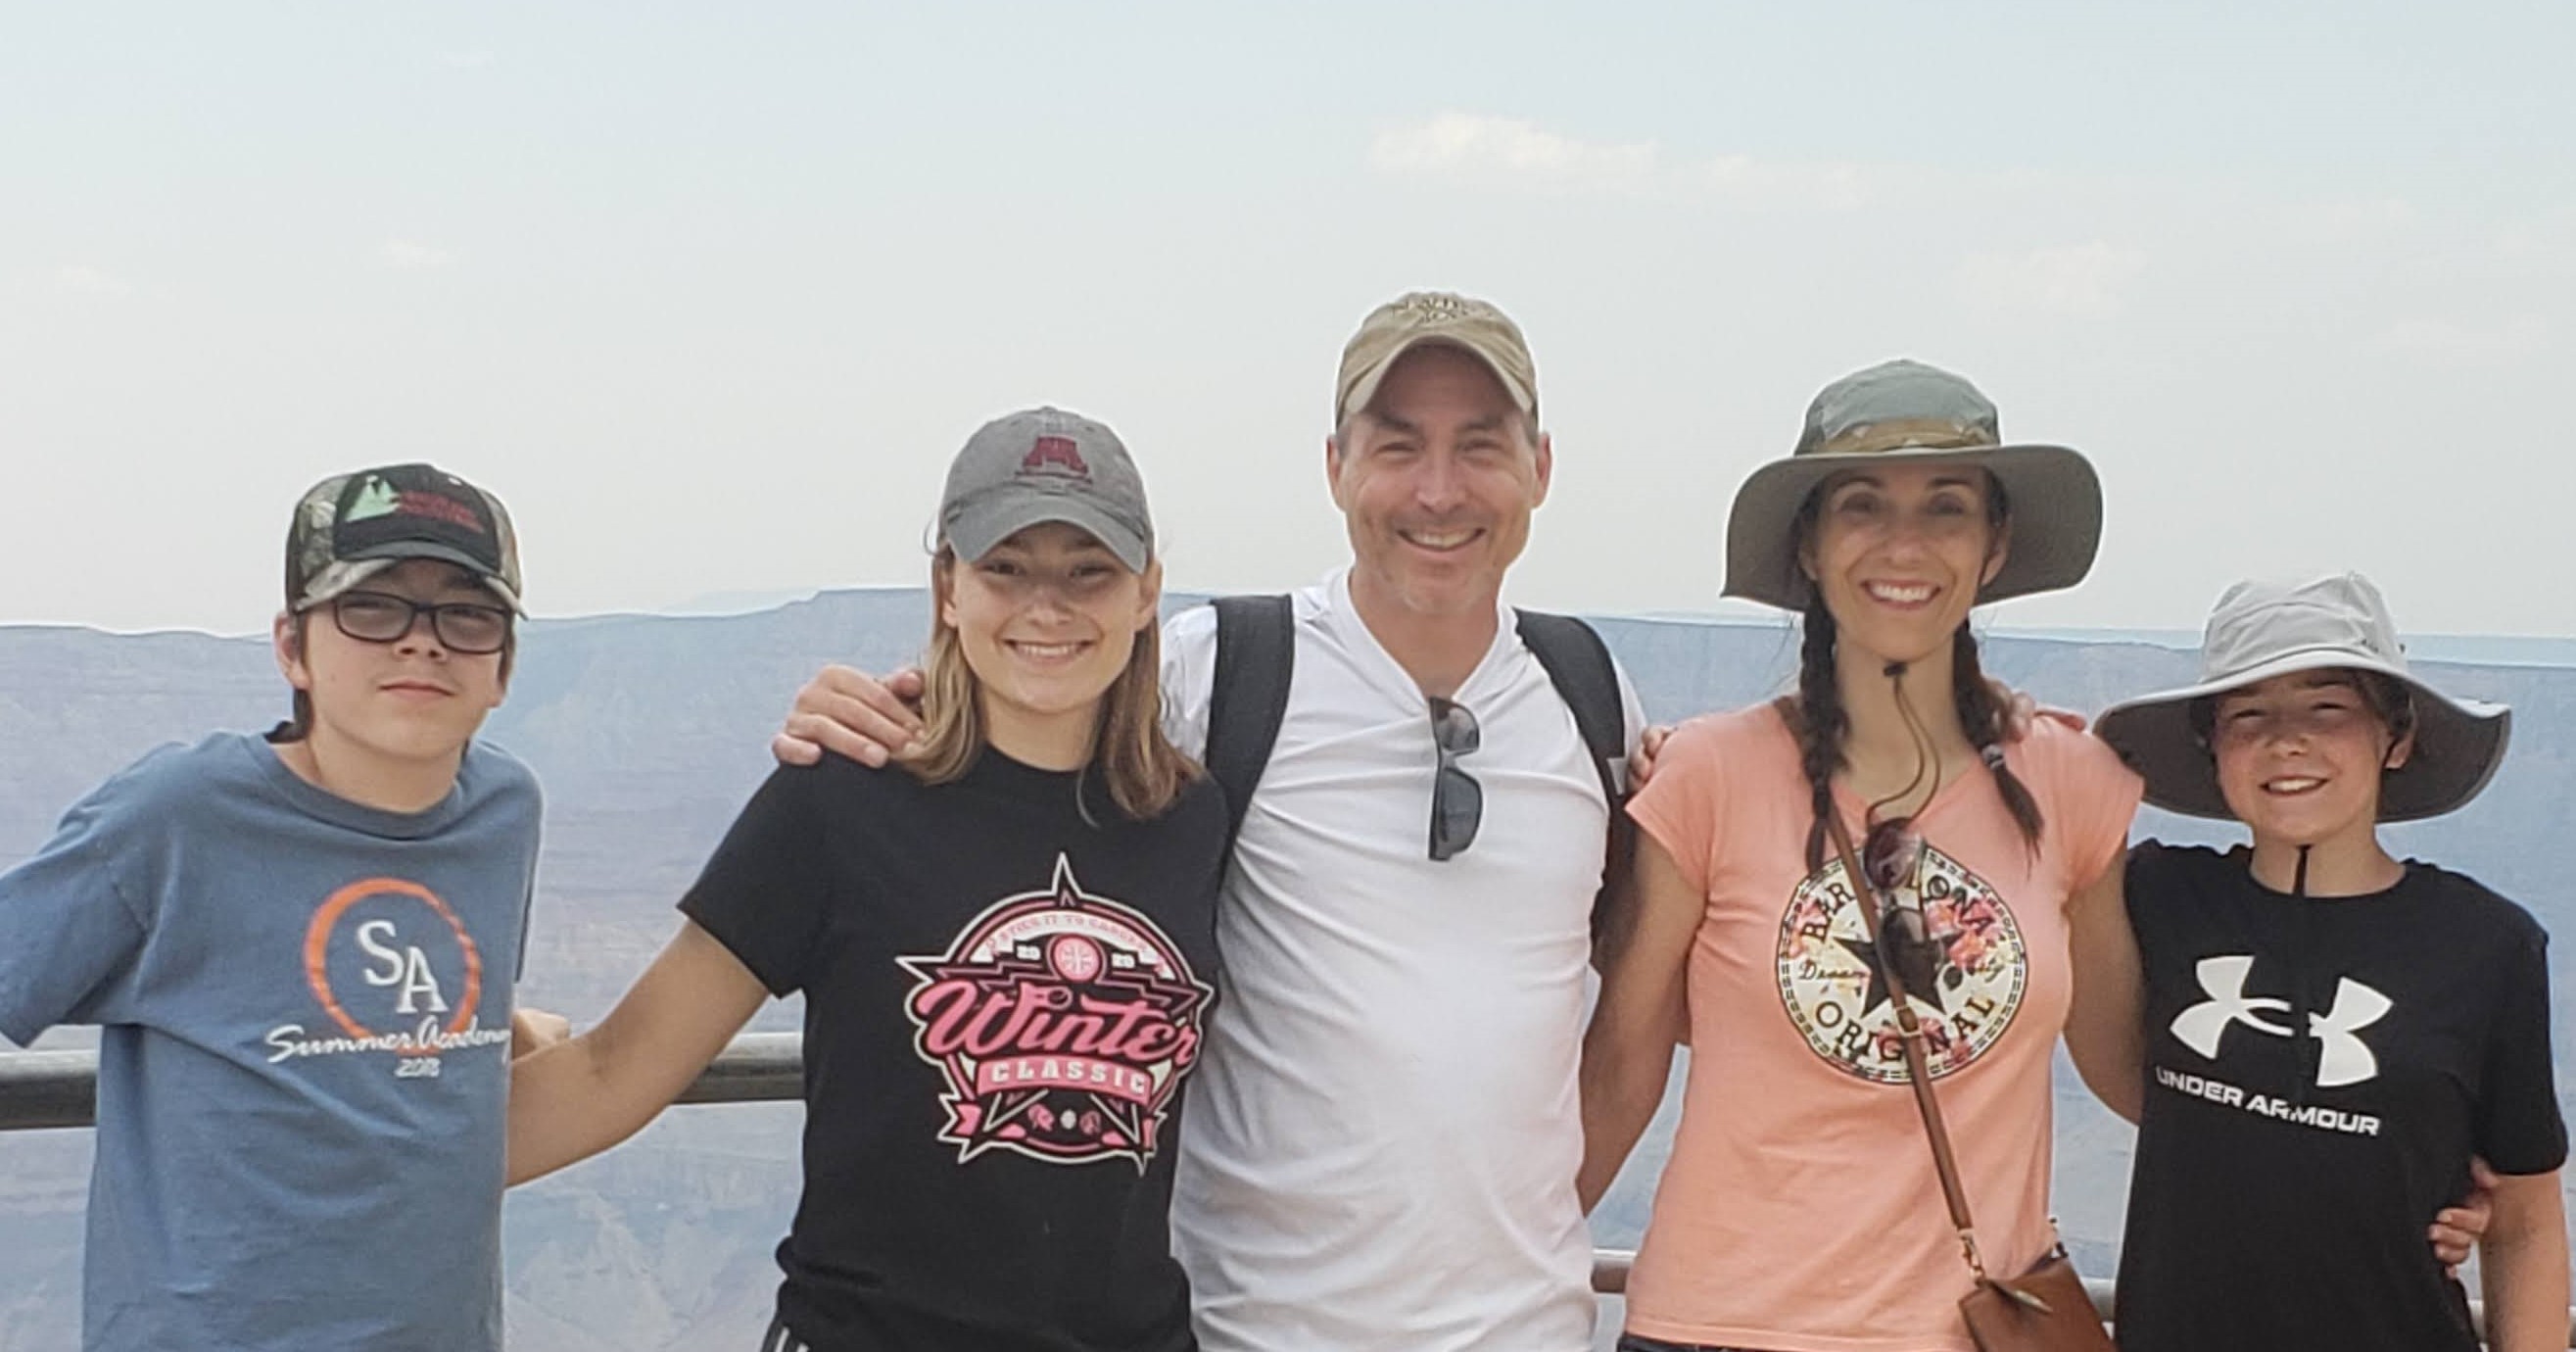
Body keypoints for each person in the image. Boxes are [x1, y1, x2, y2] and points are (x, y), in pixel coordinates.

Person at [774, 292, 1643, 1351]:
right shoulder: (1218, 674)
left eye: (1480, 446)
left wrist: (1513, 1239)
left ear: (1539, 468)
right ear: (1334, 467)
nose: (1436, 489)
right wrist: (875, 717)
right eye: (1396, 444)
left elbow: (1624, 1019)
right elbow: (1012, 755)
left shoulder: (1587, 693)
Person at [507, 408, 1229, 1352]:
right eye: (1004, 568)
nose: (1046, 606)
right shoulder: (840, 801)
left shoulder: (1189, 819)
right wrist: (335, 1169)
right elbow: (616, 1070)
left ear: (1147, 596)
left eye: (1088, 570)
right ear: (947, 589)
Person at [1579, 360, 2147, 1351]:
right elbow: (1620, 1066)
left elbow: (2132, 1073)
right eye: (1860, 505)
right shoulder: (1710, 775)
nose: (1903, 544)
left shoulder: (2071, 784)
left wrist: (2410, 1159)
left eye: (1945, 508)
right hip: (1719, 1326)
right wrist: (1475, 1275)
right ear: (1808, 542)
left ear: (1993, 543)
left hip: (1965, 1333)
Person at [0, 463, 541, 1350]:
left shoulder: (504, 815)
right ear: (293, 647)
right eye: (372, 608)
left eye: (466, 614)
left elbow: (400, 1029)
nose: (422, 643)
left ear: (504, 667)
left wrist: (507, 1023)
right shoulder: (180, 814)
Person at [2090, 573, 2568, 1352]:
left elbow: (2524, 1223)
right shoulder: (2158, 895)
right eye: (2249, 714)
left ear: (2397, 736)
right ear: (2213, 747)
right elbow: (2124, 1076)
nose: (2287, 740)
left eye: (2329, 707)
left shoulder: (2487, 945)